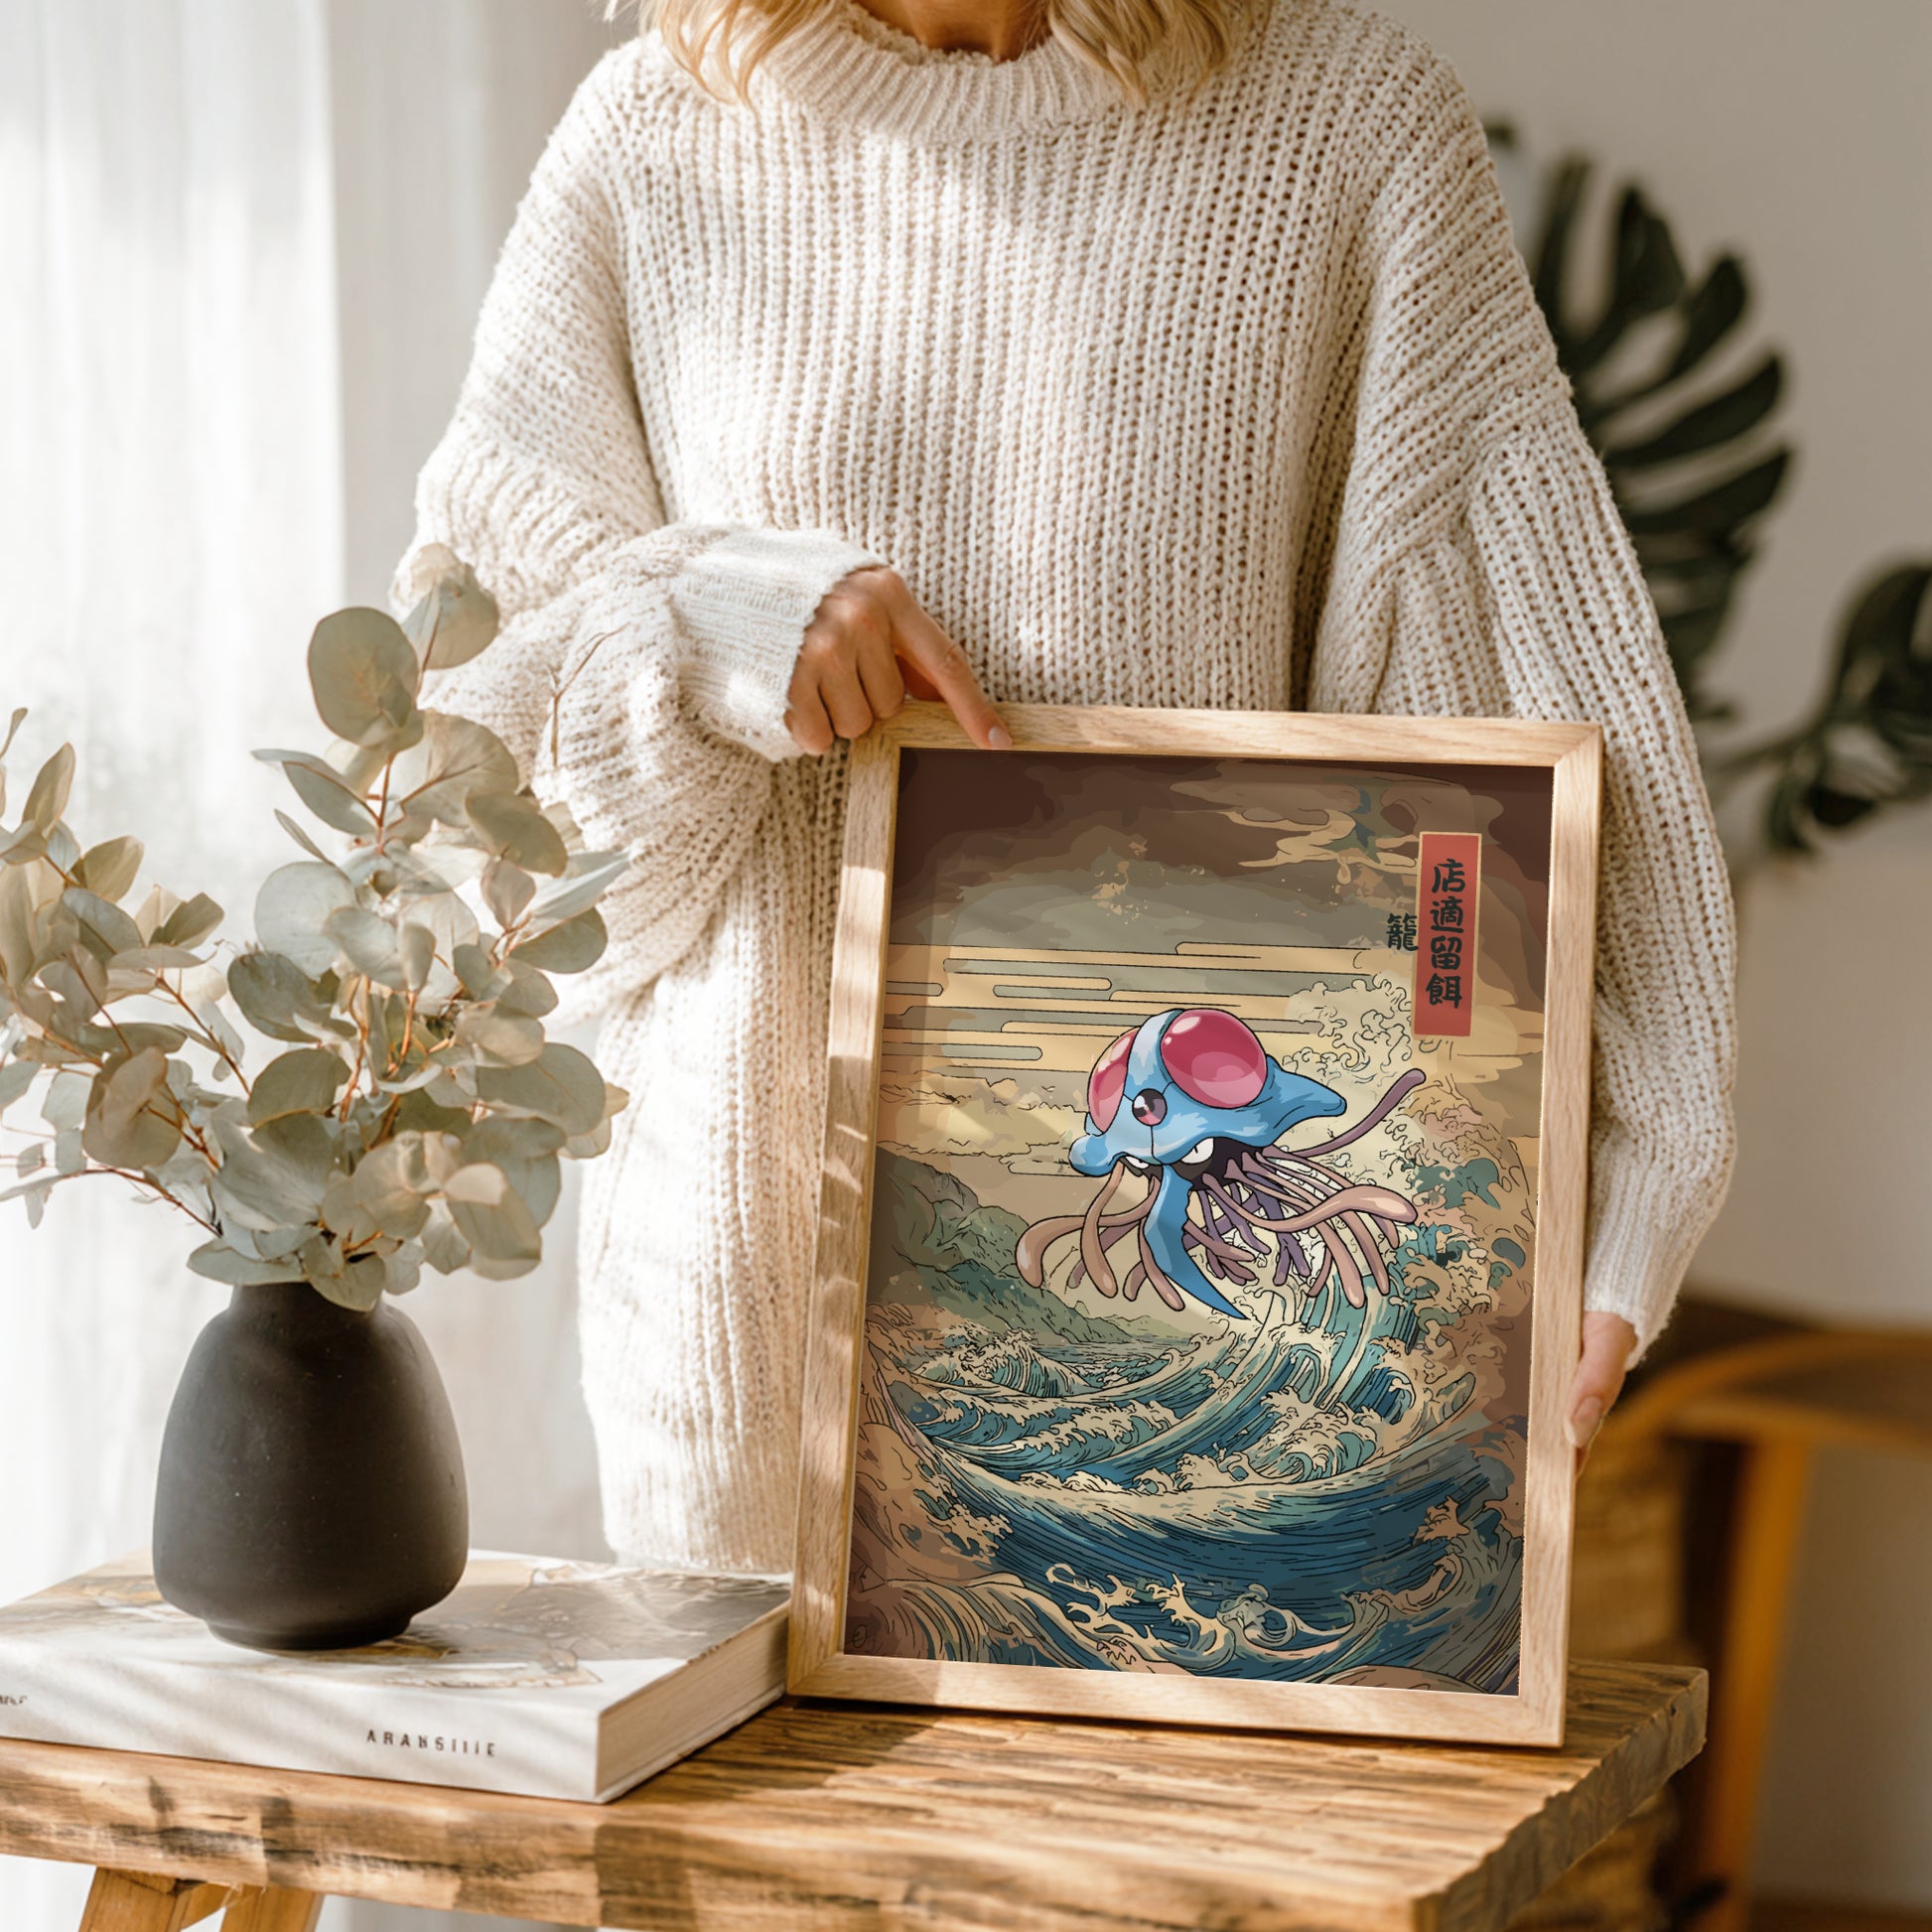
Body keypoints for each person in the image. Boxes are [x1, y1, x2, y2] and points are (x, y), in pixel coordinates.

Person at [394, 0, 1735, 1576]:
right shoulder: (649, 140)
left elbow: (1521, 697)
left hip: (1221, 1383)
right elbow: (465, 822)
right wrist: (706, 621)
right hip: (735, 1344)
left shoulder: (1344, 127)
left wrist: (1629, 1167)